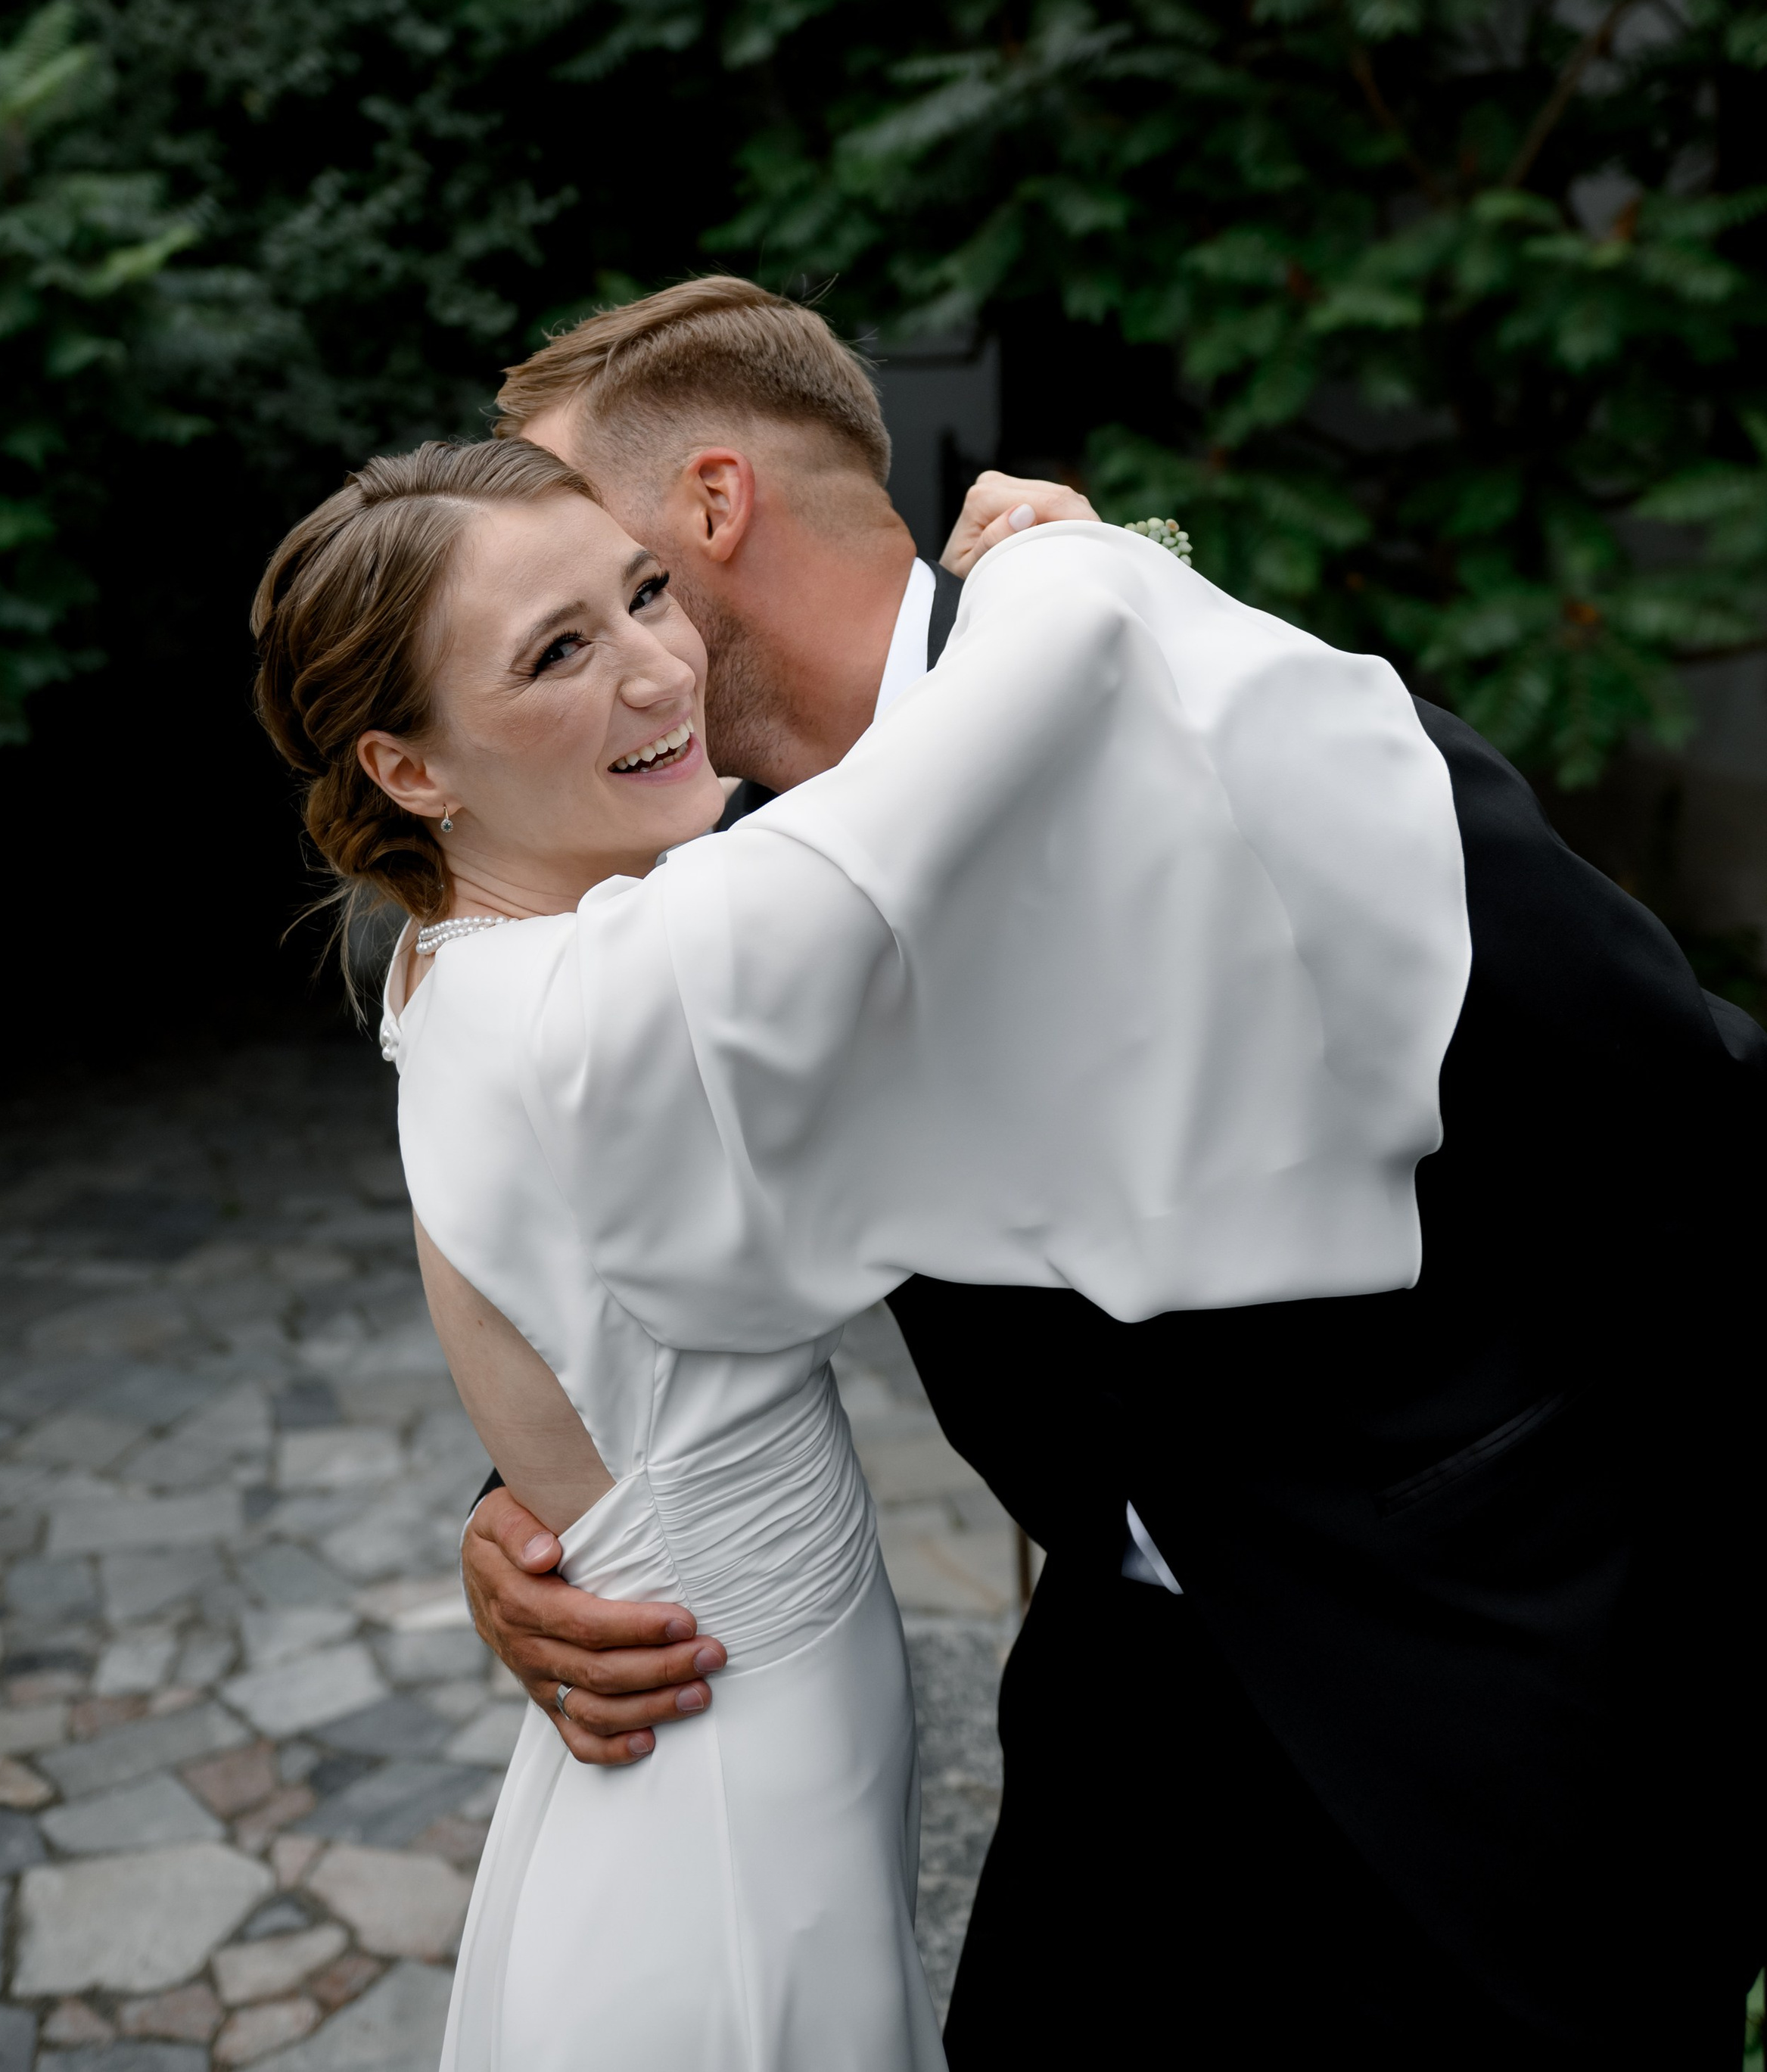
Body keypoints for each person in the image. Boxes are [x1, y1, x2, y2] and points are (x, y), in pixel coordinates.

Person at [461, 275, 1764, 2068]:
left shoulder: (1233, 719)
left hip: (1482, 1700)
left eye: (589, 561)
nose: (560, 611)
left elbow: (1690, 1131)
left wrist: (1687, 1674)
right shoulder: (721, 892)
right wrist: (529, 1506)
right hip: (1119, 1711)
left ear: (710, 506)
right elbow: (638, 1225)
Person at [250, 413, 1471, 2071]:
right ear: (410, 769)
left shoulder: (461, 963)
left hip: (734, 1736)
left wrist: (542, 1505)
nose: (657, 669)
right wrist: (1058, 553)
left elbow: (574, 1319)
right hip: (728, 1796)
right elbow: (967, 750)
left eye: (642, 595)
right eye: (556, 652)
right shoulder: (629, 989)